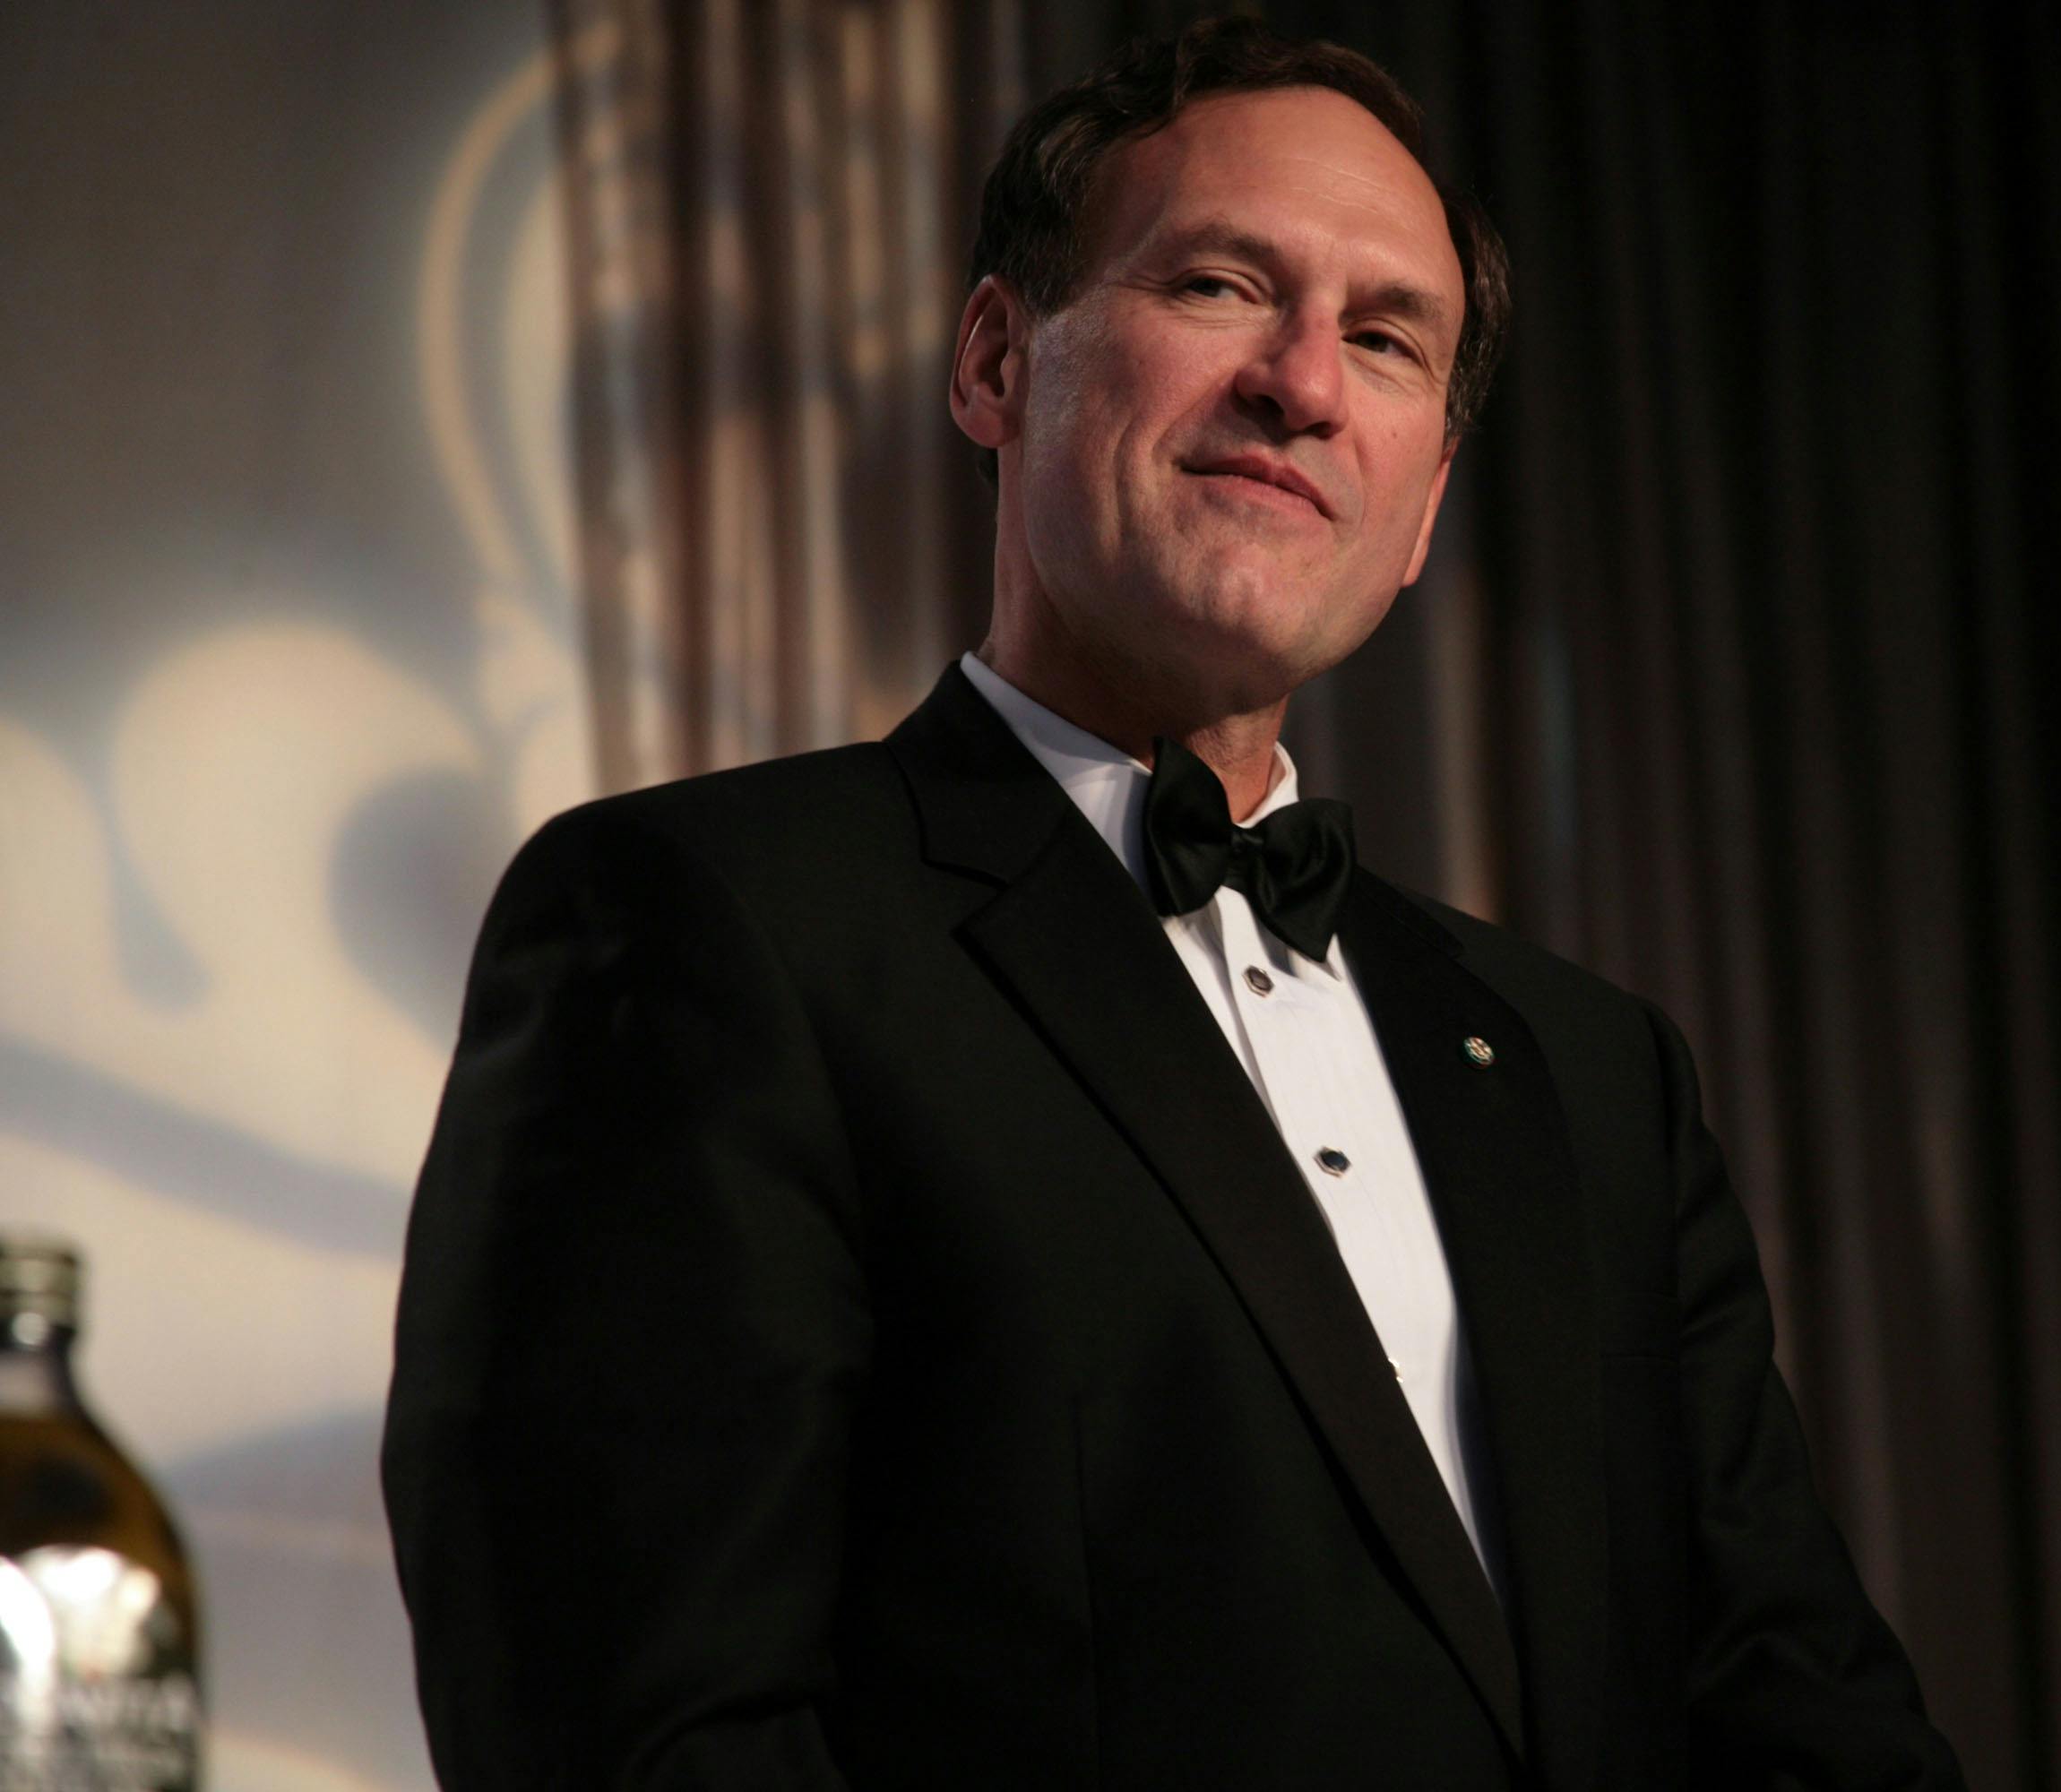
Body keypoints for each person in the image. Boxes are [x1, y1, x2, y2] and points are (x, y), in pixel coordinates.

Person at [382, 19, 1964, 1790]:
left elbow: (1804, 1721)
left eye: (1386, 338)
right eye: (1222, 285)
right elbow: (639, 1730)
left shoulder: (1595, 1077)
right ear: (996, 357)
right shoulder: (698, 923)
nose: (1306, 380)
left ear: (1427, 496)